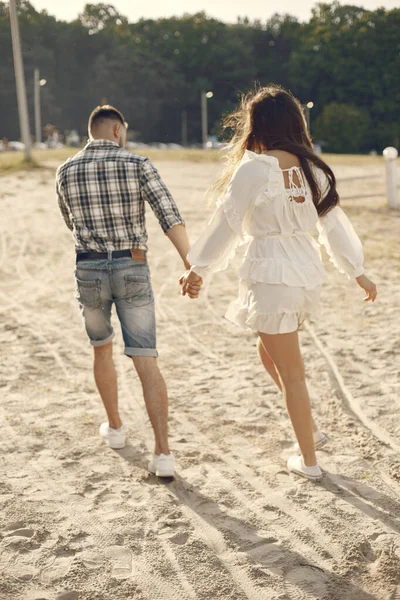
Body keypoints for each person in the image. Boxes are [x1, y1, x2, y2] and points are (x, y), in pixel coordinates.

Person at [180, 85, 377, 481]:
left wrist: (198, 267)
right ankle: (311, 431)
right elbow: (334, 226)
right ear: (295, 122)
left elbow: (228, 223)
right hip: (303, 273)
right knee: (269, 351)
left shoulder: (255, 168)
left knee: (292, 370)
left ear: (258, 125)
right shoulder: (313, 169)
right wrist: (357, 271)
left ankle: (309, 461)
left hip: (271, 272)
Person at [56, 105, 195, 478]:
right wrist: (190, 264)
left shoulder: (65, 170)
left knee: (101, 348)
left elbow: (70, 222)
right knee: (145, 357)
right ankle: (162, 453)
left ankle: (115, 428)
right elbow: (169, 215)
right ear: (117, 130)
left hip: (88, 268)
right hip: (131, 265)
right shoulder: (138, 164)